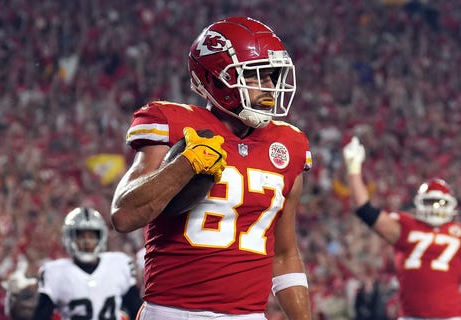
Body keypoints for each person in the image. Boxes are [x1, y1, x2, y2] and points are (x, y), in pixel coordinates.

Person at [111, 17, 312, 320]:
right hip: (172, 312)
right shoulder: (173, 123)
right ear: (215, 79)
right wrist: (185, 165)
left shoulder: (290, 144)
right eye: (255, 75)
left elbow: (284, 255)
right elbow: (124, 216)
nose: (269, 87)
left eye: (271, 76)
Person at [342, 137, 461, 320]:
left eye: (440, 203)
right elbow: (365, 210)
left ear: (451, 206)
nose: (435, 208)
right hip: (412, 316)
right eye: (430, 202)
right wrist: (353, 170)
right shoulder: (406, 226)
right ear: (419, 204)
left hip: (450, 316)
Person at [31, 207, 143, 320]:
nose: (87, 242)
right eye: (81, 236)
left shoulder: (118, 264)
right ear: (69, 237)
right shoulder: (55, 272)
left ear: (101, 237)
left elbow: (136, 309)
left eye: (92, 236)